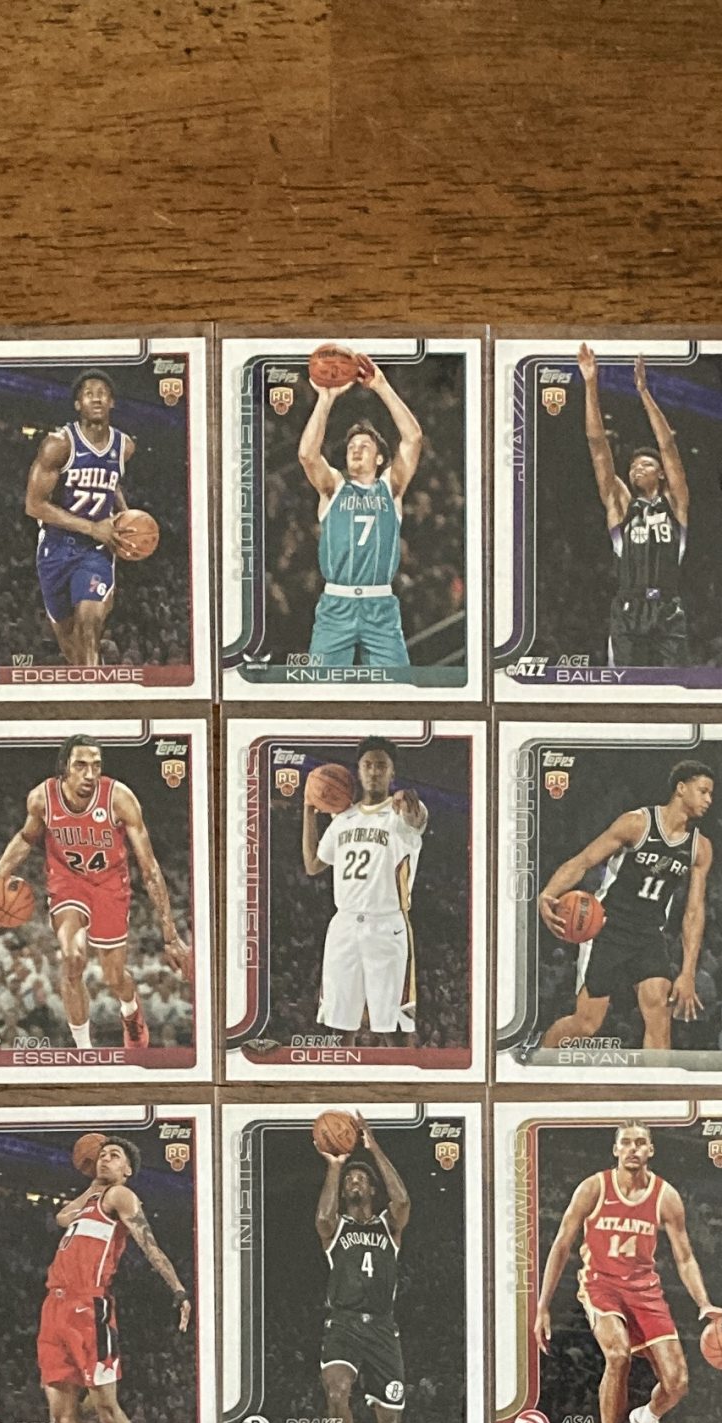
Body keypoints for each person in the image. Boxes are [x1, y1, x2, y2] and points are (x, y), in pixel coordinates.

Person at [0, 737, 186, 1052]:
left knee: (114, 976)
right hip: (67, 883)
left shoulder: (119, 799)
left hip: (109, 885)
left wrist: (170, 933)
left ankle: (130, 1009)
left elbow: (149, 868)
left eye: (96, 766)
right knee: (72, 958)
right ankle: (83, 1050)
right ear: (64, 767)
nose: (90, 774)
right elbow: (26, 838)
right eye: (80, 765)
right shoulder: (42, 799)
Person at [534, 1123, 722, 1423]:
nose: (632, 1148)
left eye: (640, 1142)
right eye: (626, 1142)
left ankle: (645, 1416)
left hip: (644, 1291)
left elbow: (685, 1258)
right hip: (601, 1284)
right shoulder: (594, 1188)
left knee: (677, 1384)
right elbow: (561, 1245)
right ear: (615, 1149)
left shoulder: (666, 1196)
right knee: (618, 1356)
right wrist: (543, 1306)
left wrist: (703, 1302)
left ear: (650, 1150)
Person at [536, 760, 717, 1056]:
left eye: (711, 794)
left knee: (659, 1015)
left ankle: (657, 1085)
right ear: (681, 789)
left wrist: (688, 972)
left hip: (649, 934)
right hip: (607, 929)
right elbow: (583, 861)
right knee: (586, 1024)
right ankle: (538, 1059)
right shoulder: (637, 824)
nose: (709, 799)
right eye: (703, 791)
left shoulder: (700, 848)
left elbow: (694, 912)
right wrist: (548, 893)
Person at [39, 1135, 192, 1423]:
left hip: (88, 1307)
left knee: (107, 1412)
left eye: (114, 1156)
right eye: (102, 1156)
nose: (105, 1159)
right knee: (62, 1418)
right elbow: (61, 1217)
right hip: (54, 1308)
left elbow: (151, 1247)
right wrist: (94, 1184)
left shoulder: (121, 1195)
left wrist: (178, 1289)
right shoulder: (86, 1205)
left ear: (128, 1170)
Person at [298, 357, 427, 670]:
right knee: (320, 689)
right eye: (351, 446)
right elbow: (307, 455)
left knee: (396, 691)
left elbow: (413, 438)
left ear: (380, 458)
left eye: (364, 446)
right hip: (336, 606)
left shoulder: (391, 488)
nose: (355, 449)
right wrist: (325, 399)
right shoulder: (333, 488)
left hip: (380, 606)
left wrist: (381, 386)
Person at [578, 345, 693, 668]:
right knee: (627, 690)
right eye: (633, 466)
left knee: (672, 690)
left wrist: (643, 392)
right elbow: (597, 446)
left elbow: (667, 445)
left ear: (661, 473)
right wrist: (591, 384)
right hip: (628, 612)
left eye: (645, 465)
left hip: (667, 609)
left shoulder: (675, 503)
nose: (636, 469)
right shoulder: (621, 505)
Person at [304, 740, 425, 1044]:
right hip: (343, 924)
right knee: (339, 1024)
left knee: (392, 1027)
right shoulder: (343, 819)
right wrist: (309, 809)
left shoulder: (400, 812)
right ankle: (343, 1073)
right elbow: (313, 864)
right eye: (367, 765)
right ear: (358, 771)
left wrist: (406, 801)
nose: (374, 771)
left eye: (381, 766)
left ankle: (399, 1075)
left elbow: (416, 818)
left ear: (392, 772)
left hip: (386, 925)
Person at [24, 372, 135, 668]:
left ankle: (95, 692)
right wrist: (92, 527)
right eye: (89, 393)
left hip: (95, 552)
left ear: (112, 402)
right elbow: (34, 505)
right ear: (77, 404)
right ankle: (92, 678)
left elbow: (111, 482)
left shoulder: (124, 447)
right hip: (56, 547)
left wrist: (126, 516)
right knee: (69, 641)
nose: (96, 398)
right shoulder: (58, 445)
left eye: (102, 392)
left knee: (89, 626)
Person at [316, 1119, 412, 1423]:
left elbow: (402, 1201)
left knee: (390, 1422)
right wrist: (335, 1166)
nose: (354, 1181)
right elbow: (323, 1218)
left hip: (382, 1326)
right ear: (343, 1192)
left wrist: (374, 1149)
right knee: (336, 1394)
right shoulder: (337, 1229)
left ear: (372, 1189)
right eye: (349, 1180)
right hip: (344, 1324)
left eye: (361, 1179)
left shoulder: (388, 1226)